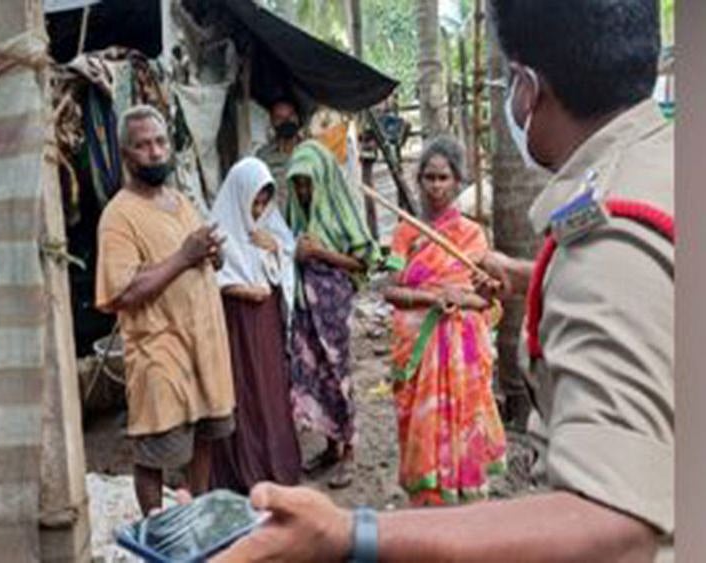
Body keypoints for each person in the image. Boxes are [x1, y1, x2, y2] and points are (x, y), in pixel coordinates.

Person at [208, 0, 674, 561]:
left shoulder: (612, 229)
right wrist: (532, 274)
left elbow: (616, 516)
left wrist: (350, 535)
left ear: (526, 87)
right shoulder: (663, 167)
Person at [95, 104, 235, 516]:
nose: (155, 152)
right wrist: (183, 257)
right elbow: (121, 291)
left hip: (204, 345)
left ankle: (199, 514)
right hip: (160, 350)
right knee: (153, 450)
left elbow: (198, 256)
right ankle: (157, 531)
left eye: (160, 142)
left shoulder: (180, 200)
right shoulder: (118, 216)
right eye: (143, 146)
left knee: (207, 435)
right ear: (126, 154)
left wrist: (213, 256)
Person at [382, 135, 506, 506]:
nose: (436, 186)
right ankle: (430, 496)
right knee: (423, 422)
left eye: (443, 178)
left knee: (466, 420)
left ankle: (465, 493)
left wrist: (465, 297)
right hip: (419, 349)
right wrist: (433, 297)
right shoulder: (406, 232)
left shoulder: (472, 234)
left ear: (457, 182)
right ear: (418, 181)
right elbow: (390, 291)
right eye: (429, 178)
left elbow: (486, 298)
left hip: (462, 350)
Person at [286, 140, 382, 489]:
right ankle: (329, 446)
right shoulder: (294, 212)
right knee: (314, 375)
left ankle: (349, 454)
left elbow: (364, 259)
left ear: (322, 179)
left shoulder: (340, 210)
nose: (303, 190)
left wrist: (321, 253)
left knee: (338, 374)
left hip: (332, 305)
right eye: (297, 183)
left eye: (308, 182)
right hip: (304, 307)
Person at [208, 156, 302, 493]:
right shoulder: (219, 228)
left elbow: (286, 262)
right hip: (237, 321)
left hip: (266, 322)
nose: (259, 209)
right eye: (254, 201)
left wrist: (276, 248)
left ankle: (274, 464)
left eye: (264, 201)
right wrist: (244, 290)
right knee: (242, 389)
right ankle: (244, 468)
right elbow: (209, 279)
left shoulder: (270, 224)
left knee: (270, 387)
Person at [255, 98, 303, 212]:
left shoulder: (310, 152)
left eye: (290, 116)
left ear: (297, 118)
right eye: (280, 118)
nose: (286, 121)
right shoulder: (263, 156)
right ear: (272, 122)